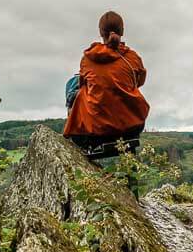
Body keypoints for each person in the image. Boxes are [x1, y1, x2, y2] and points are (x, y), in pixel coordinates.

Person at [63, 11, 149, 159]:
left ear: (100, 32)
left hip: (94, 134)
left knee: (72, 84)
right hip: (131, 128)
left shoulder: (88, 59)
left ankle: (73, 132)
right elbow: (139, 82)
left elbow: (83, 84)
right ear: (122, 31)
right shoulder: (133, 58)